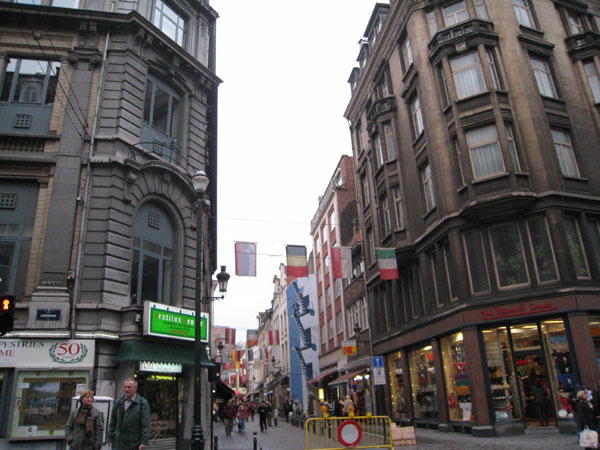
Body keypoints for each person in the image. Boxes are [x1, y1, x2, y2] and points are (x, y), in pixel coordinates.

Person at [108, 379, 151, 450]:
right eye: (125, 387)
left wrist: (144, 442)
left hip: (134, 443)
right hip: (119, 443)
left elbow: (146, 424)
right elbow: (113, 421)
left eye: (129, 387)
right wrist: (110, 438)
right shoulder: (119, 402)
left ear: (135, 388)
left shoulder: (142, 404)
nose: (127, 389)